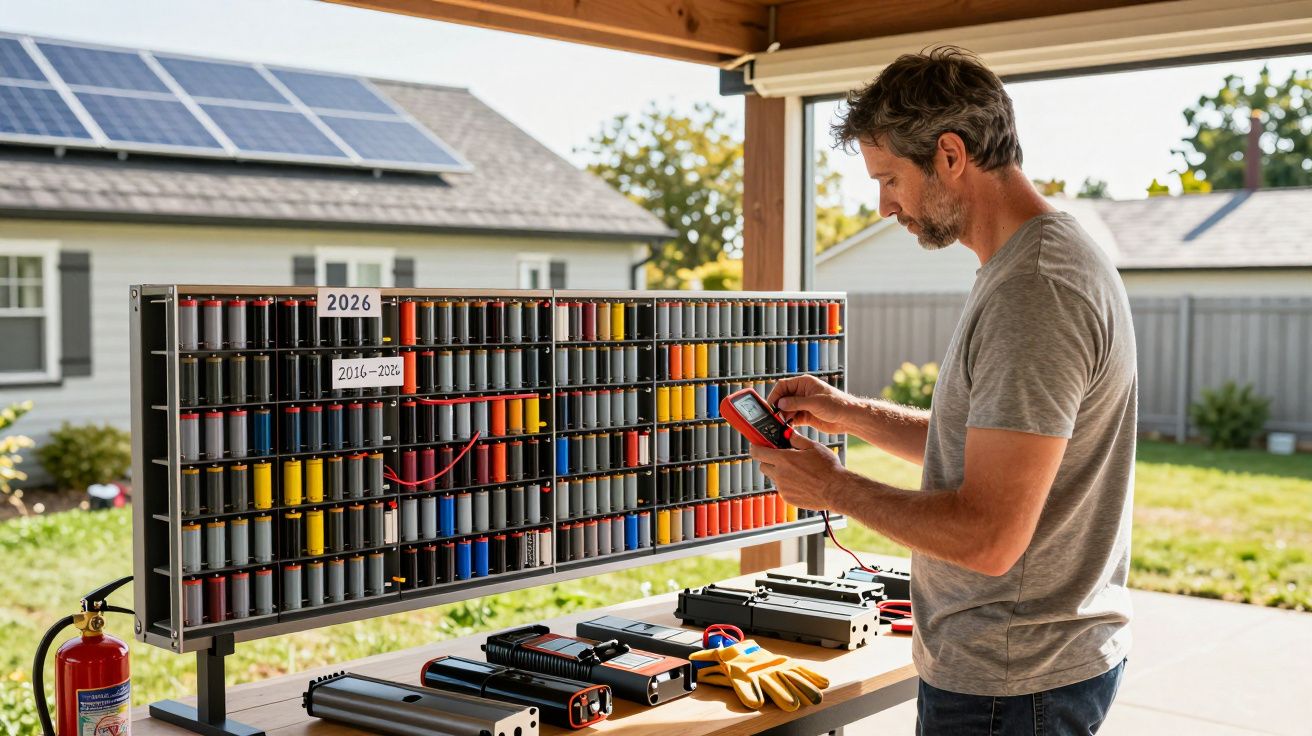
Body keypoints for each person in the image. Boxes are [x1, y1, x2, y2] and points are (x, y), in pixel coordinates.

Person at [752, 46, 1136, 735]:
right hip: (1025, 671)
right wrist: (848, 412)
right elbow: (988, 451)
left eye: (890, 178)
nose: (883, 204)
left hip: (1010, 686)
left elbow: (989, 535)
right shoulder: (1027, 264)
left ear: (951, 155)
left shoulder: (1035, 290)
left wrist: (835, 488)